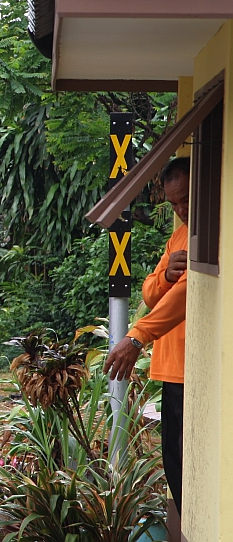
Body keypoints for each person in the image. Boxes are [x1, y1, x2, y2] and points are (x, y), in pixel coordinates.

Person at [104, 156, 190, 513]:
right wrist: (166, 274)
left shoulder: (212, 230)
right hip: (171, 370)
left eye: (186, 199)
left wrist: (137, 337)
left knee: (189, 471)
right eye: (173, 204)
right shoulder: (180, 236)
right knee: (174, 466)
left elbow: (187, 294)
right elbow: (151, 292)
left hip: (192, 370)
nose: (182, 209)